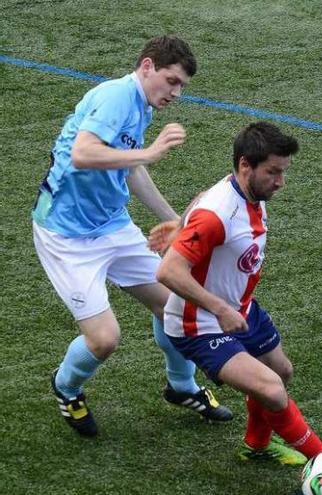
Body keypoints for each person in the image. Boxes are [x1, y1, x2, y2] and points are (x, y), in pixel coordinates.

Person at [34, 35, 232, 438]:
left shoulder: (139, 104)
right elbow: (83, 154)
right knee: (104, 340)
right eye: (171, 81)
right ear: (146, 66)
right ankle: (66, 387)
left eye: (182, 87)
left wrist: (174, 219)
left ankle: (182, 387)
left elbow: (129, 168)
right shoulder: (115, 97)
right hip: (67, 237)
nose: (176, 92)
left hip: (112, 225)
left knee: (176, 307)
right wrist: (150, 152)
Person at [152, 122, 322, 472]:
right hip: (200, 324)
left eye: (284, 172)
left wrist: (180, 226)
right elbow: (167, 272)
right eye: (273, 172)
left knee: (280, 371)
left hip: (240, 308)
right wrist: (219, 308)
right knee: (270, 389)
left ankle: (256, 447)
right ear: (244, 166)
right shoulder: (218, 214)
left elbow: (201, 200)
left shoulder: (244, 192)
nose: (280, 182)